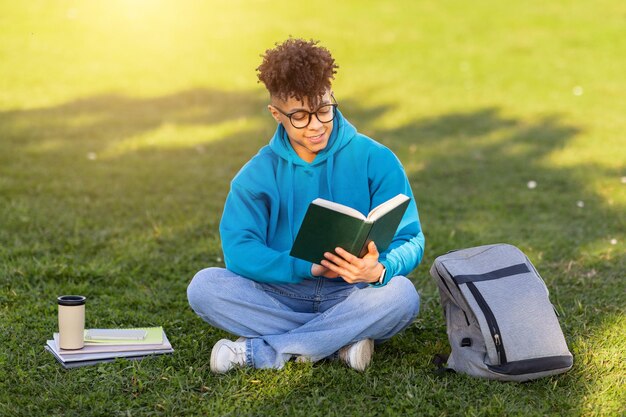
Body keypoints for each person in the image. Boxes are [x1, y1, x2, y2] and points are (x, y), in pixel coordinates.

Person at [187, 38, 425, 373]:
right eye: (299, 116)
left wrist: (379, 269)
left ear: (332, 99)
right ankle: (338, 343)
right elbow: (239, 251)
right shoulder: (256, 175)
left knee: (401, 295)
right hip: (280, 294)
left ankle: (263, 352)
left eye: (324, 109)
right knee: (205, 287)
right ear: (276, 114)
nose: (315, 125)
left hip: (353, 293)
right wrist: (307, 268)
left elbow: (412, 238)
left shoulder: (377, 159)